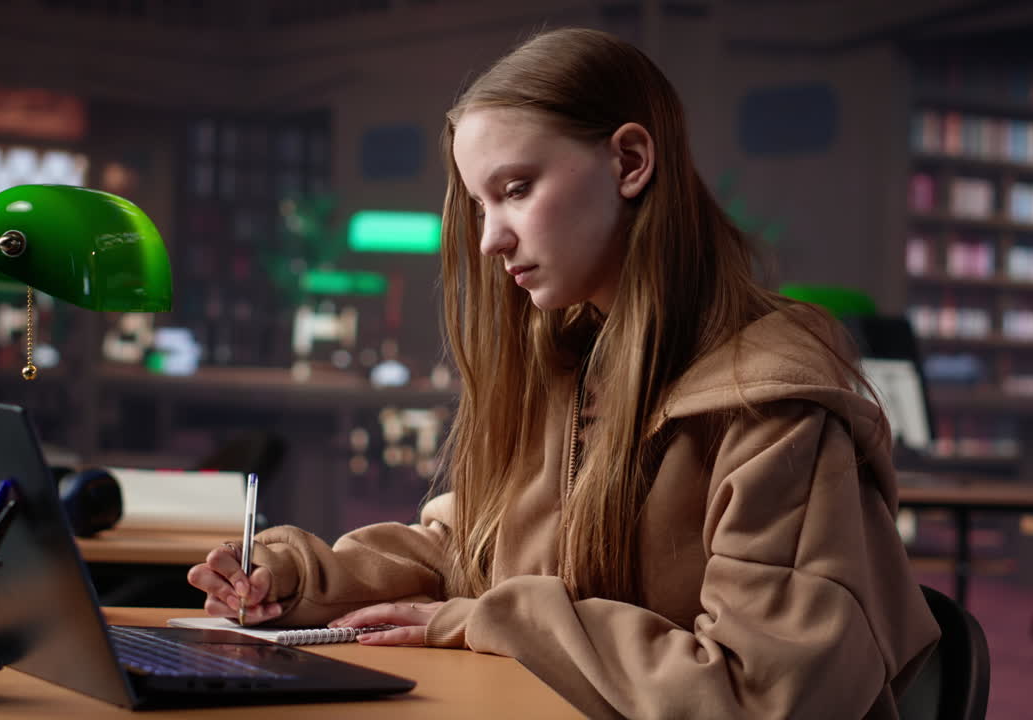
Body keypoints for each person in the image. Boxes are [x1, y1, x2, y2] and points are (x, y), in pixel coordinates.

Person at [188, 27, 939, 719]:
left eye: (515, 189)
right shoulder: (571, 361)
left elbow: (761, 694)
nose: (489, 240)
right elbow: (469, 549)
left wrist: (485, 621)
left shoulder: (773, 405)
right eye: (480, 203)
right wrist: (294, 578)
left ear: (630, 162)